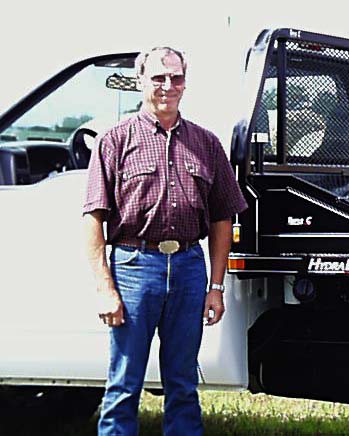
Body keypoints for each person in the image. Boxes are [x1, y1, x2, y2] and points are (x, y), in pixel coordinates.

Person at [83, 46, 247, 436]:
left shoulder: (207, 144)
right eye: (158, 77)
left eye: (176, 77)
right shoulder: (114, 141)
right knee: (124, 384)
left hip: (189, 268)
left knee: (183, 384)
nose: (167, 86)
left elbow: (223, 217)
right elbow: (93, 219)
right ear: (140, 81)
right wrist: (106, 289)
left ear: (185, 83)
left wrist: (216, 287)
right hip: (134, 268)